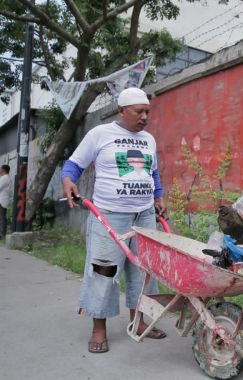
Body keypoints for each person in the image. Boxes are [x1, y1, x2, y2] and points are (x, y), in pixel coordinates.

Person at [61, 87, 167, 354]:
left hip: (143, 214)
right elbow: (73, 165)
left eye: (147, 112)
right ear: (121, 110)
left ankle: (139, 321)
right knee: (103, 270)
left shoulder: (149, 139)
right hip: (109, 214)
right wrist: (67, 182)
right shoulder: (100, 134)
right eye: (138, 111)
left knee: (144, 269)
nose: (144, 117)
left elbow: (152, 172)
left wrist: (159, 195)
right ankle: (99, 327)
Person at [0, 164, 11, 239]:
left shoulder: (4, 178)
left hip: (1, 200)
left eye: (0, 169)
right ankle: (2, 233)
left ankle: (2, 233)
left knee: (1, 217)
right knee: (2, 216)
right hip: (4, 200)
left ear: (3, 170)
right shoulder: (8, 178)